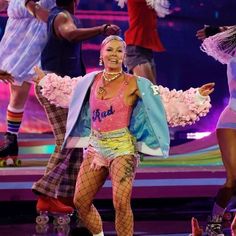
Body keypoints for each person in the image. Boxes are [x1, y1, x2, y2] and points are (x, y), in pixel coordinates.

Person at [34, 35, 214, 236]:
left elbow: (165, 101)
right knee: (80, 202)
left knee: (120, 201)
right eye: (110, 50)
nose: (114, 54)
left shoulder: (135, 83)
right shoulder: (89, 81)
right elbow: (67, 90)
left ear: (125, 56)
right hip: (95, 149)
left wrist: (197, 95)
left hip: (123, 149)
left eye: (119, 50)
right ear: (101, 54)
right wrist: (45, 80)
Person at [25, 0, 121, 220]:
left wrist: (30, 5)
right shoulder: (62, 18)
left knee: (77, 140)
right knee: (68, 139)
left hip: (66, 88)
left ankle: (67, 195)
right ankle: (45, 192)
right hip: (54, 87)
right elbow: (70, 34)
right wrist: (102, 29)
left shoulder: (54, 14)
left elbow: (38, 11)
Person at [0, 0, 55, 166]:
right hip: (16, 47)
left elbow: (52, 17)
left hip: (44, 44)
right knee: (17, 96)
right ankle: (11, 142)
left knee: (54, 97)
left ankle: (69, 144)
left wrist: (30, 4)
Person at [196, 25, 236, 235]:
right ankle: (214, 224)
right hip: (232, 120)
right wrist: (218, 29)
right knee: (233, 179)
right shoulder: (234, 54)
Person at [115, 0, 170, 84]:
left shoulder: (150, 2)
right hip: (136, 48)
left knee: (152, 92)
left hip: (145, 48)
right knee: (150, 92)